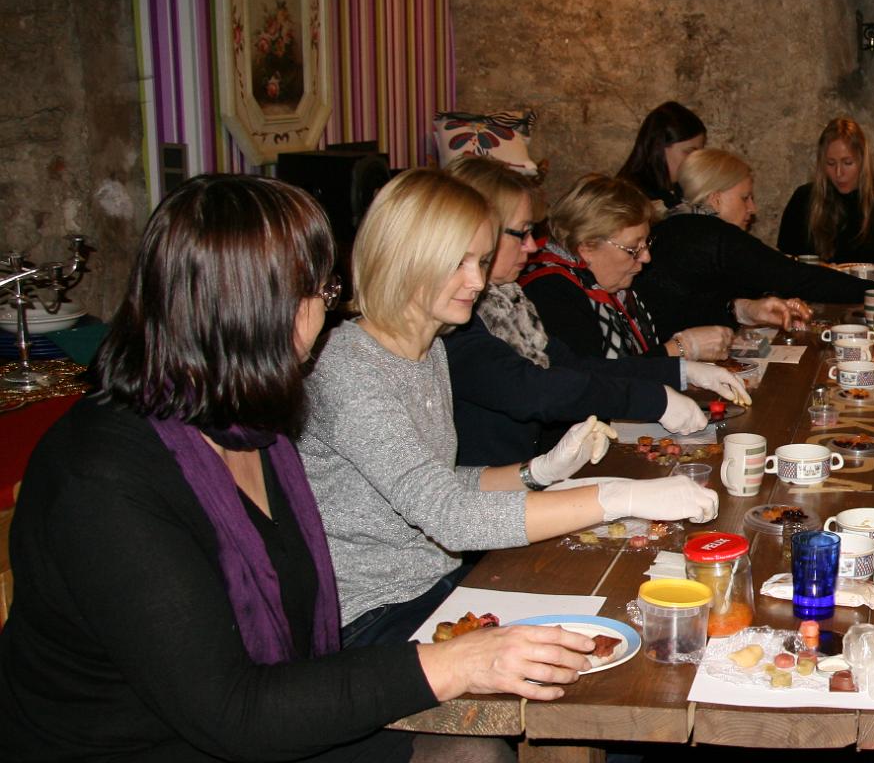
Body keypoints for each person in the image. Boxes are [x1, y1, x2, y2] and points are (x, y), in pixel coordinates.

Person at [0, 174, 595, 762]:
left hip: (256, 708)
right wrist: (460, 661)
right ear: (255, 311)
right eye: (318, 294)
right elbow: (231, 713)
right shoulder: (103, 479)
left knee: (488, 738)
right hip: (149, 743)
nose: (326, 316)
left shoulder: (250, 425)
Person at [302, 169, 719, 649]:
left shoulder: (428, 347)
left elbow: (439, 481)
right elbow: (449, 515)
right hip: (372, 618)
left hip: (434, 588)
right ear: (405, 260)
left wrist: (535, 471)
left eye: (479, 261)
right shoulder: (350, 368)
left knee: (626, 604)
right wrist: (616, 496)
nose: (476, 281)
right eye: (458, 263)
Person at [440, 157, 747, 468]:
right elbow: (534, 390)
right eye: (521, 233)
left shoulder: (507, 300)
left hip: (517, 480)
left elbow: (575, 367)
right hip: (491, 493)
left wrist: (681, 371)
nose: (532, 246)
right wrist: (656, 399)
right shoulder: (457, 321)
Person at [636, 148, 874, 340]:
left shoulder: (675, 225)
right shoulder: (713, 236)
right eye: (745, 197)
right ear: (716, 199)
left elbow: (696, 301)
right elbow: (797, 278)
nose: (753, 208)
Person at [520, 173, 757, 361]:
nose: (646, 257)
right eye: (634, 247)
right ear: (587, 246)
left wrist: (738, 309)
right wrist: (680, 349)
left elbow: (675, 313)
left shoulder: (615, 285)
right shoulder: (549, 292)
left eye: (647, 242)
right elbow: (591, 381)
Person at [777, 117, 874, 269]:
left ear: (862, 160)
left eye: (847, 163)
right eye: (831, 163)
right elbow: (784, 262)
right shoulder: (804, 199)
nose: (839, 173)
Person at [615, 100, 706, 208]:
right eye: (689, 151)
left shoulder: (682, 190)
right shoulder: (630, 197)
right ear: (659, 147)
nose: (695, 159)